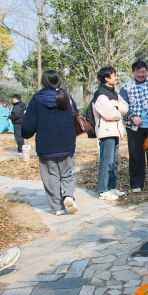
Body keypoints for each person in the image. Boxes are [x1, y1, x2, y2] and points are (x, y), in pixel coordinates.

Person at [21, 70, 79, 216]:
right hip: (66, 142)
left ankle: (57, 207)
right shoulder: (66, 96)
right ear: (58, 81)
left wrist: (25, 135)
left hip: (46, 144)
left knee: (51, 175)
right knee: (67, 172)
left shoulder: (36, 99)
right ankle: (68, 195)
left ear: (43, 82)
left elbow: (28, 124)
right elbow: (76, 115)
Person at [119, 61, 148, 193]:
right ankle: (136, 184)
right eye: (138, 72)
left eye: (143, 71)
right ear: (133, 72)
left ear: (147, 71)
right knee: (136, 155)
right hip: (133, 127)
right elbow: (122, 105)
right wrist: (132, 117)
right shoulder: (126, 87)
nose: (141, 74)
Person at [93, 67, 129, 201]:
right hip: (106, 132)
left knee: (114, 162)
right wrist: (118, 110)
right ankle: (103, 190)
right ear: (106, 78)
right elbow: (110, 114)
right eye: (113, 75)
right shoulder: (100, 94)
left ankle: (111, 188)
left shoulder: (114, 93)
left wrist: (116, 107)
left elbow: (125, 107)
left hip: (115, 131)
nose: (116, 77)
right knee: (106, 161)